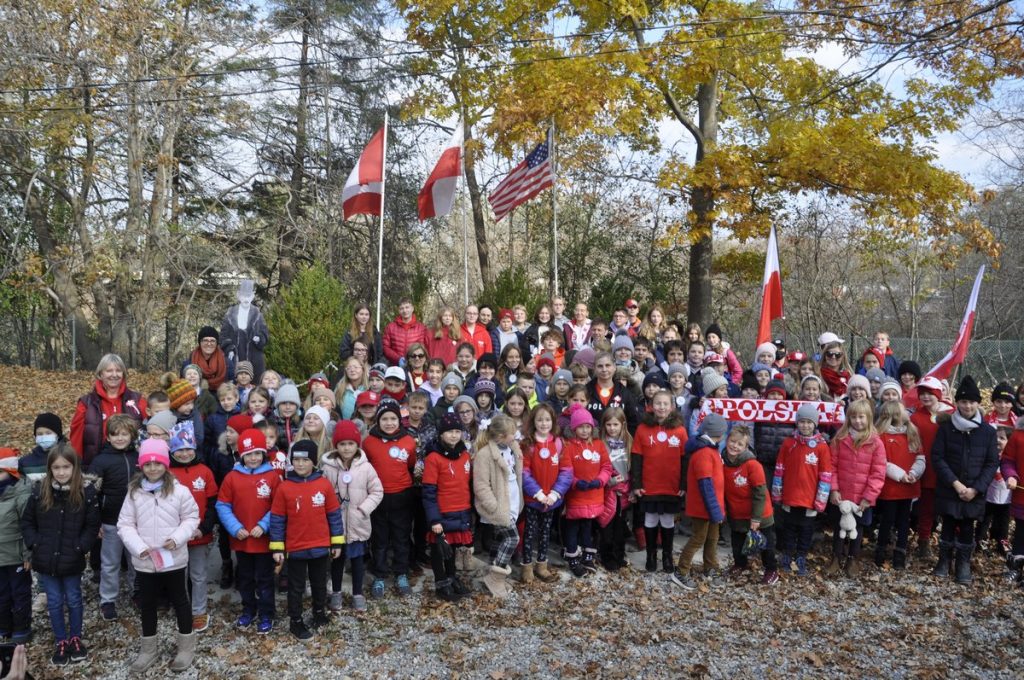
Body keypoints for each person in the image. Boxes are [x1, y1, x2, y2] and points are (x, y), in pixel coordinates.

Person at [118, 439, 200, 672]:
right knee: (148, 604)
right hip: (145, 560)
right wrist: (138, 547)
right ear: (141, 466)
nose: (153, 468)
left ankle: (186, 647)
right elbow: (125, 524)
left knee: (180, 600)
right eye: (148, 464)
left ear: (166, 464)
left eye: (157, 463)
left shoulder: (180, 491)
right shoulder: (134, 493)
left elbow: (191, 518)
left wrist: (177, 538)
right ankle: (148, 650)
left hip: (173, 558)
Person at [20, 445, 99, 666]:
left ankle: (75, 637)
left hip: (72, 557)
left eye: (66, 467)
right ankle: (61, 640)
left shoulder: (85, 492)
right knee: (54, 601)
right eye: (56, 467)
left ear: (75, 468)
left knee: (73, 598)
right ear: (50, 468)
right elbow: (27, 522)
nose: (62, 472)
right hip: (45, 558)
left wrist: (81, 547)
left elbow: (92, 525)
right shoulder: (39, 491)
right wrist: (35, 543)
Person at [269, 440, 344, 640]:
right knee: (296, 587)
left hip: (320, 546)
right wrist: (277, 548)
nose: (300, 464)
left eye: (305, 460)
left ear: (314, 461)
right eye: (296, 460)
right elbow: (277, 520)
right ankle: (296, 621)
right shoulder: (284, 488)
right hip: (296, 548)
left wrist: (337, 542)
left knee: (319, 583)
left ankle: (319, 613)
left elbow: (334, 515)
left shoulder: (324, 485)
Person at [931, 376, 999, 584]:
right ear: (957, 403)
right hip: (950, 487)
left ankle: (963, 564)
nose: (967, 406)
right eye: (963, 401)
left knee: (968, 527)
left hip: (974, 490)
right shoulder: (946, 428)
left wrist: (976, 489)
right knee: (948, 524)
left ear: (978, 403)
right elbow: (938, 457)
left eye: (971, 402)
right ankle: (944, 561)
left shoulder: (988, 432)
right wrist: (956, 484)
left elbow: (991, 463)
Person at [215, 428, 280, 633]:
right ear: (241, 455)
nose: (253, 458)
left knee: (265, 579)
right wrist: (235, 528)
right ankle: (248, 610)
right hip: (242, 540)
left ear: (264, 453)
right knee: (245, 578)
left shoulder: (272, 477)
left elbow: (278, 506)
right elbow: (222, 505)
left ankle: (267, 613)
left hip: (263, 540)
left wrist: (263, 525)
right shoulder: (232, 477)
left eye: (257, 453)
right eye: (249, 454)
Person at [320, 421, 382, 612]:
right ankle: (336, 593)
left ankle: (357, 593)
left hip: (358, 523)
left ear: (357, 445)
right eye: (342, 444)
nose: (346, 448)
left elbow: (377, 491)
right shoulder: (328, 468)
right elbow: (321, 493)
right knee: (337, 560)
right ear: (336, 445)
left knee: (357, 561)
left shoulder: (366, 467)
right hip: (336, 524)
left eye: (350, 444)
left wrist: (363, 509)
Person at [86, 414, 139, 621]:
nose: (120, 438)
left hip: (136, 521)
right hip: (110, 521)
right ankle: (108, 599)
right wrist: (95, 521)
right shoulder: (101, 461)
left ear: (131, 435)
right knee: (110, 562)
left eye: (124, 434)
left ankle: (137, 592)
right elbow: (91, 494)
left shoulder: (138, 458)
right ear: (108, 437)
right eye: (115, 435)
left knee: (136, 560)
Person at [362, 401, 417, 598]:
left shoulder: (408, 441)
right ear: (378, 421)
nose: (389, 422)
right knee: (380, 538)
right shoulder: (369, 442)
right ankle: (379, 574)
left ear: (399, 420)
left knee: (401, 537)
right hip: (377, 497)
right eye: (384, 419)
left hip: (402, 495)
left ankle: (401, 573)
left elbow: (411, 464)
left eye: (393, 418)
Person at [826, 400, 886, 578]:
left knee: (857, 528)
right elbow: (831, 466)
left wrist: (869, 496)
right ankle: (836, 557)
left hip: (862, 497)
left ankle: (853, 558)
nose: (857, 421)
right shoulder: (839, 439)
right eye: (853, 417)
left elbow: (878, 472)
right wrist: (834, 489)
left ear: (869, 418)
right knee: (839, 526)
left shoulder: (876, 443)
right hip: (842, 494)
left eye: (861, 417)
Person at [167, 431, 218, 633]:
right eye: (179, 449)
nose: (184, 453)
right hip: (174, 537)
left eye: (188, 448)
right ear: (172, 451)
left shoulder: (205, 471)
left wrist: (203, 528)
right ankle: (182, 608)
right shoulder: (167, 473)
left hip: (198, 535)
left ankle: (199, 610)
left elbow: (213, 504)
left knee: (198, 575)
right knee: (179, 575)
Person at [631, 391, 687, 573]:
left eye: (665, 404)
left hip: (671, 485)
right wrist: (636, 484)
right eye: (658, 403)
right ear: (651, 406)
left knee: (668, 520)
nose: (661, 407)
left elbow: (685, 460)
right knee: (650, 519)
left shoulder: (680, 430)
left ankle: (667, 556)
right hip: (649, 485)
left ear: (672, 407)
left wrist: (683, 484)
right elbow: (636, 457)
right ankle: (651, 555)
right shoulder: (642, 429)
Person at [772, 404, 831, 576]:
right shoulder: (788, 443)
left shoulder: (821, 447)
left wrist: (820, 500)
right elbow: (779, 469)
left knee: (806, 530)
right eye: (802, 422)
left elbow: (825, 475)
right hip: (790, 496)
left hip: (810, 499)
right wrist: (777, 493)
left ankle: (801, 557)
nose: (805, 425)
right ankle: (787, 555)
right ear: (797, 423)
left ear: (815, 424)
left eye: (809, 422)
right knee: (789, 528)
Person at [421, 413, 474, 602]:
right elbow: (429, 491)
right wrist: (434, 519)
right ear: (441, 434)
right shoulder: (433, 458)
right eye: (449, 431)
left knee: (452, 548)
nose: (454, 435)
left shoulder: (464, 455)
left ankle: (452, 577)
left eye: (457, 431)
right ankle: (441, 582)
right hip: (441, 512)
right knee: (439, 548)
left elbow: (467, 484)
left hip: (461, 509)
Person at [671, 413, 727, 590]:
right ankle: (681, 571)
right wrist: (715, 511)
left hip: (712, 507)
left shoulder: (711, 450)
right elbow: (705, 485)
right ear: (720, 434)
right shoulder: (704, 453)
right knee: (698, 538)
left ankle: (710, 567)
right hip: (704, 508)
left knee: (712, 538)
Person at [472, 415, 524, 596]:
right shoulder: (485, 454)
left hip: (511, 503)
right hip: (498, 506)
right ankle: (496, 577)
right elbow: (481, 485)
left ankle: (491, 574)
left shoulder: (512, 449)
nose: (515, 436)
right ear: (501, 436)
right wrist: (494, 507)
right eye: (512, 433)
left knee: (499, 538)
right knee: (512, 539)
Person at [520, 404, 571, 584]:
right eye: (540, 420)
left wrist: (555, 494)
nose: (544, 423)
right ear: (533, 422)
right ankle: (526, 565)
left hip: (551, 499)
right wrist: (538, 493)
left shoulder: (559, 443)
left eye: (547, 420)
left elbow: (566, 471)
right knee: (529, 532)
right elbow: (524, 472)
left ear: (553, 421)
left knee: (545, 532)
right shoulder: (528, 444)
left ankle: (542, 565)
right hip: (533, 498)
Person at [722, 426, 778, 585]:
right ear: (727, 440)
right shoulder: (722, 462)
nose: (735, 446)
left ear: (746, 447)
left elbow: (760, 493)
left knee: (766, 545)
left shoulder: (753, 465)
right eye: (732, 441)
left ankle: (771, 570)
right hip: (737, 512)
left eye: (740, 444)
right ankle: (740, 565)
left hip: (759, 514)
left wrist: (756, 518)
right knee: (737, 543)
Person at [561, 405, 611, 578]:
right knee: (573, 528)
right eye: (581, 427)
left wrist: (601, 480)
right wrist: (575, 482)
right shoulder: (568, 446)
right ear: (574, 428)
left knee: (588, 527)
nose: (584, 430)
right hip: (576, 496)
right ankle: (573, 557)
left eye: (587, 427)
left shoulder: (598, 445)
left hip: (594, 495)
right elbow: (566, 469)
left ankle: (588, 556)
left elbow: (606, 466)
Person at [874, 401, 924, 570]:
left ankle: (900, 554)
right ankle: (880, 551)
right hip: (891, 486)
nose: (907, 413)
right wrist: (901, 475)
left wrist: (914, 473)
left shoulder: (912, 432)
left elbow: (920, 457)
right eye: (903, 410)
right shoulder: (881, 436)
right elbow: (882, 462)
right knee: (887, 519)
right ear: (895, 414)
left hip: (909, 485)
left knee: (904, 520)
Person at [69, 354, 146, 466]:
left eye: (118, 371)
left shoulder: (137, 400)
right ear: (101, 374)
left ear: (123, 374)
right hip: (96, 465)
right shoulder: (86, 403)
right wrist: (77, 465)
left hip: (132, 464)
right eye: (109, 371)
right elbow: (76, 439)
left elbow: (150, 431)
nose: (114, 375)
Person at [910, 376, 951, 560]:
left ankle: (950, 543)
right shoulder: (915, 417)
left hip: (948, 469)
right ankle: (924, 542)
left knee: (950, 508)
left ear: (938, 394)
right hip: (927, 468)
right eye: (922, 393)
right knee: (926, 508)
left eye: (930, 393)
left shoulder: (951, 413)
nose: (926, 397)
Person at [0, 456, 32, 646]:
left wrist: (28, 554)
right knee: (2, 592)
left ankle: (22, 627)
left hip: (16, 554)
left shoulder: (20, 494)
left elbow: (27, 525)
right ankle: (4, 625)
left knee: (19, 592)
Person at [598, 408, 632, 571]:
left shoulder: (628, 442)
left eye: (615, 424)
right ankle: (607, 556)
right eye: (608, 424)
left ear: (622, 425)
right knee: (607, 524)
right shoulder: (600, 443)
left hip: (624, 491)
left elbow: (632, 467)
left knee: (620, 525)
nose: (612, 428)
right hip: (608, 490)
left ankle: (619, 554)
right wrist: (610, 481)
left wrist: (631, 488)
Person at [220, 279, 269, 379]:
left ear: (252, 296)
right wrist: (229, 349)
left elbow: (264, 334)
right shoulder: (230, 314)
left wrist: (259, 338)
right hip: (235, 356)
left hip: (254, 357)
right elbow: (223, 336)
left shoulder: (258, 315)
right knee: (234, 382)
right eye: (243, 296)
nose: (246, 299)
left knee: (255, 384)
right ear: (238, 296)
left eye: (248, 296)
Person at [19, 413, 63, 482]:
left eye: (48, 433)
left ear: (58, 435)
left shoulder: (70, 457)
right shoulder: (25, 463)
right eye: (39, 434)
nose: (44, 437)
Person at [382, 299, 427, 365]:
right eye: (401, 308)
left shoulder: (420, 328)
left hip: (414, 364)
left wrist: (411, 359)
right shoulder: (390, 327)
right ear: (399, 310)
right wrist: (398, 359)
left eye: (407, 307)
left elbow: (422, 347)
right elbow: (385, 347)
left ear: (412, 308)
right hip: (395, 365)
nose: (405, 311)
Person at [188, 326, 232, 392]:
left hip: (221, 397)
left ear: (216, 343)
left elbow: (232, 387)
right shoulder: (189, 363)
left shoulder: (227, 363)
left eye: (212, 341)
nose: (209, 344)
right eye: (205, 340)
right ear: (200, 342)